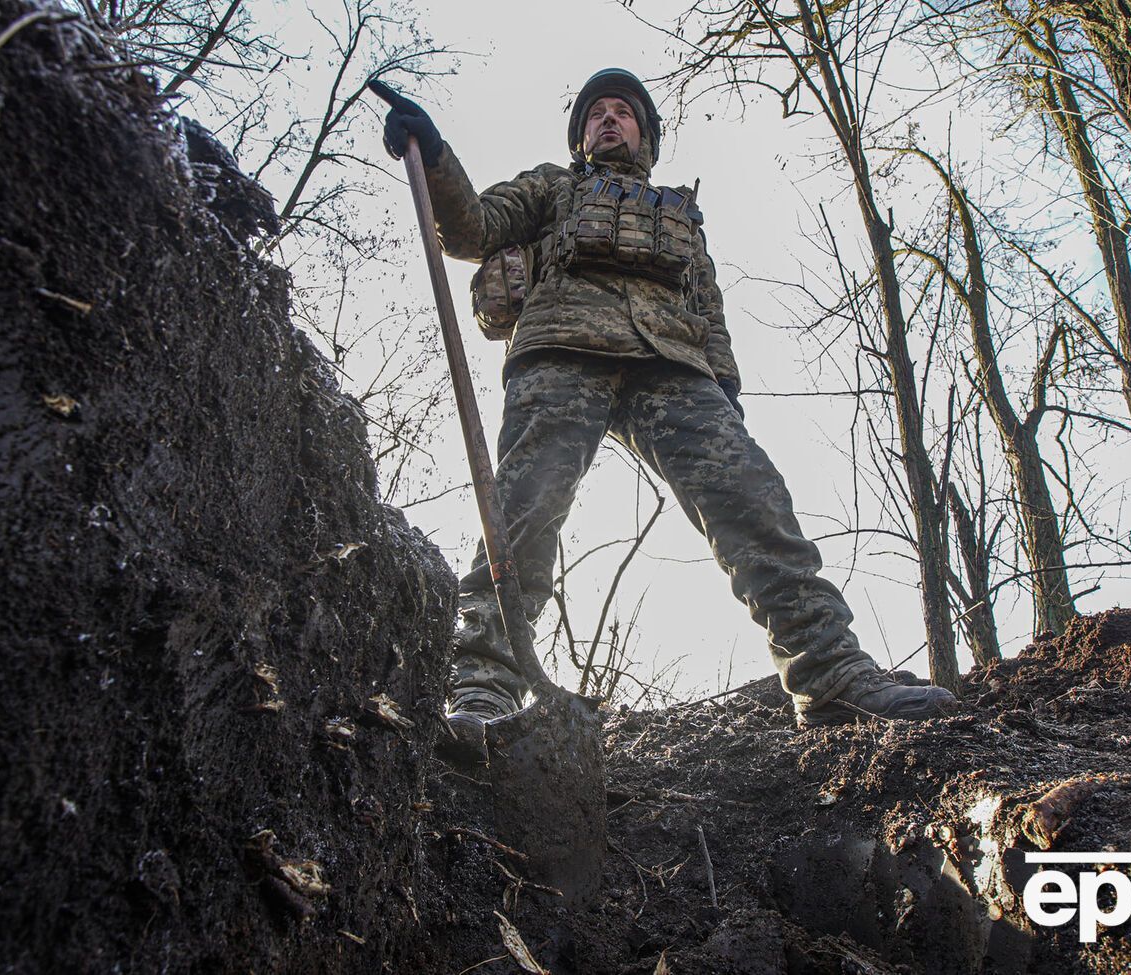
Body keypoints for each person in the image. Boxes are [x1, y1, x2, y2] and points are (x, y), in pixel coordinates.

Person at [377, 69, 958, 760]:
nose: (609, 119)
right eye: (596, 113)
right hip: (563, 348)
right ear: (581, 137)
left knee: (752, 498)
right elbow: (472, 227)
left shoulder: (678, 212)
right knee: (524, 509)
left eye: (622, 112)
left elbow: (708, 309)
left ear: (645, 136)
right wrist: (435, 156)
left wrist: (726, 394)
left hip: (672, 363)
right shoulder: (551, 188)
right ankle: (481, 689)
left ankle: (830, 675)